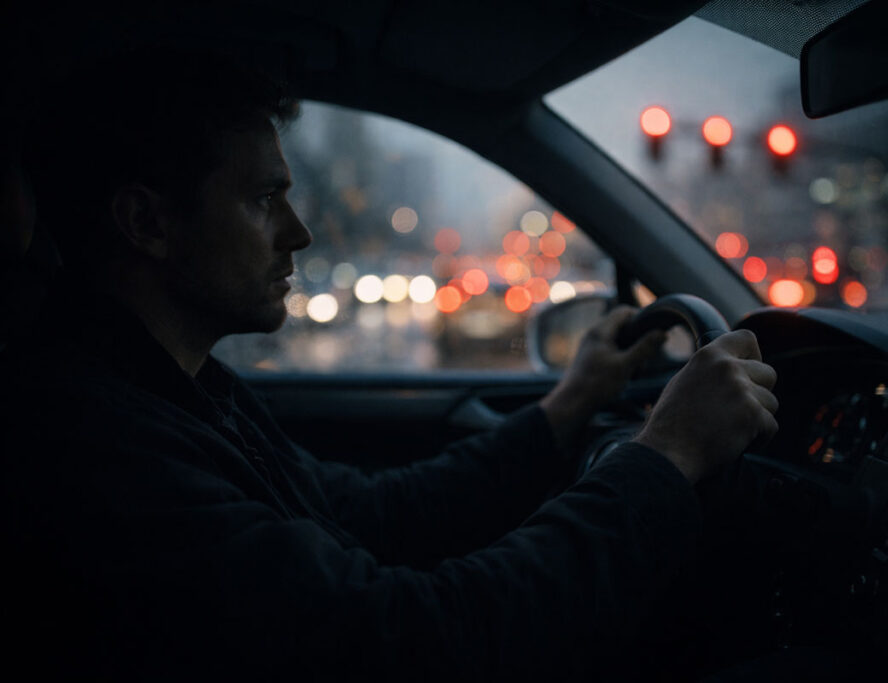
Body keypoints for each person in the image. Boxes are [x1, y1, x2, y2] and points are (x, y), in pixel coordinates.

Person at [0, 48, 778, 682]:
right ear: (146, 221)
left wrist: (565, 408)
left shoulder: (178, 390)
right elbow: (412, 640)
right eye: (263, 199)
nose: (298, 232)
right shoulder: (92, 445)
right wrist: (666, 455)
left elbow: (372, 514)